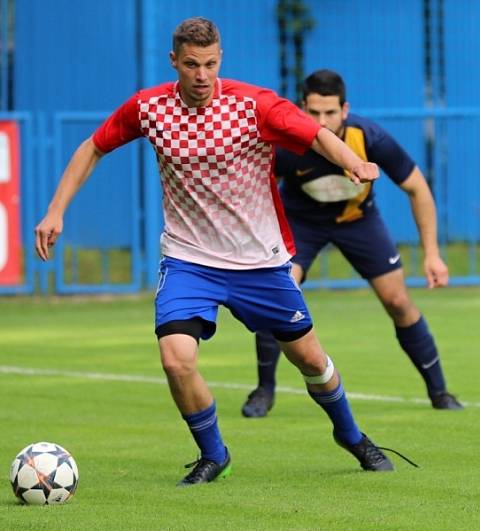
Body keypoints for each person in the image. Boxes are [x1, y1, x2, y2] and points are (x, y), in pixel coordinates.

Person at [34, 17, 405, 484]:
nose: (202, 75)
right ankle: (214, 454)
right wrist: (55, 211)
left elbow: (314, 135)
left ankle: (352, 436)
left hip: (260, 262)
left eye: (210, 63)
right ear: (175, 62)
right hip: (190, 260)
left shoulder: (253, 105)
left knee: (310, 359)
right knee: (175, 359)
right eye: (191, 64)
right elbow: (93, 147)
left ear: (220, 59)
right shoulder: (149, 108)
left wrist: (353, 162)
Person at [241, 69, 462, 418]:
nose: (322, 121)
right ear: (302, 109)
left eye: (330, 112)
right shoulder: (288, 144)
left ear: (345, 109)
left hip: (359, 222)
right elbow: (255, 190)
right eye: (313, 113)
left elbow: (418, 187)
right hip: (302, 225)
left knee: (398, 301)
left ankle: (440, 391)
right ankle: (263, 391)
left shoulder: (370, 137)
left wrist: (432, 254)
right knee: (280, 295)